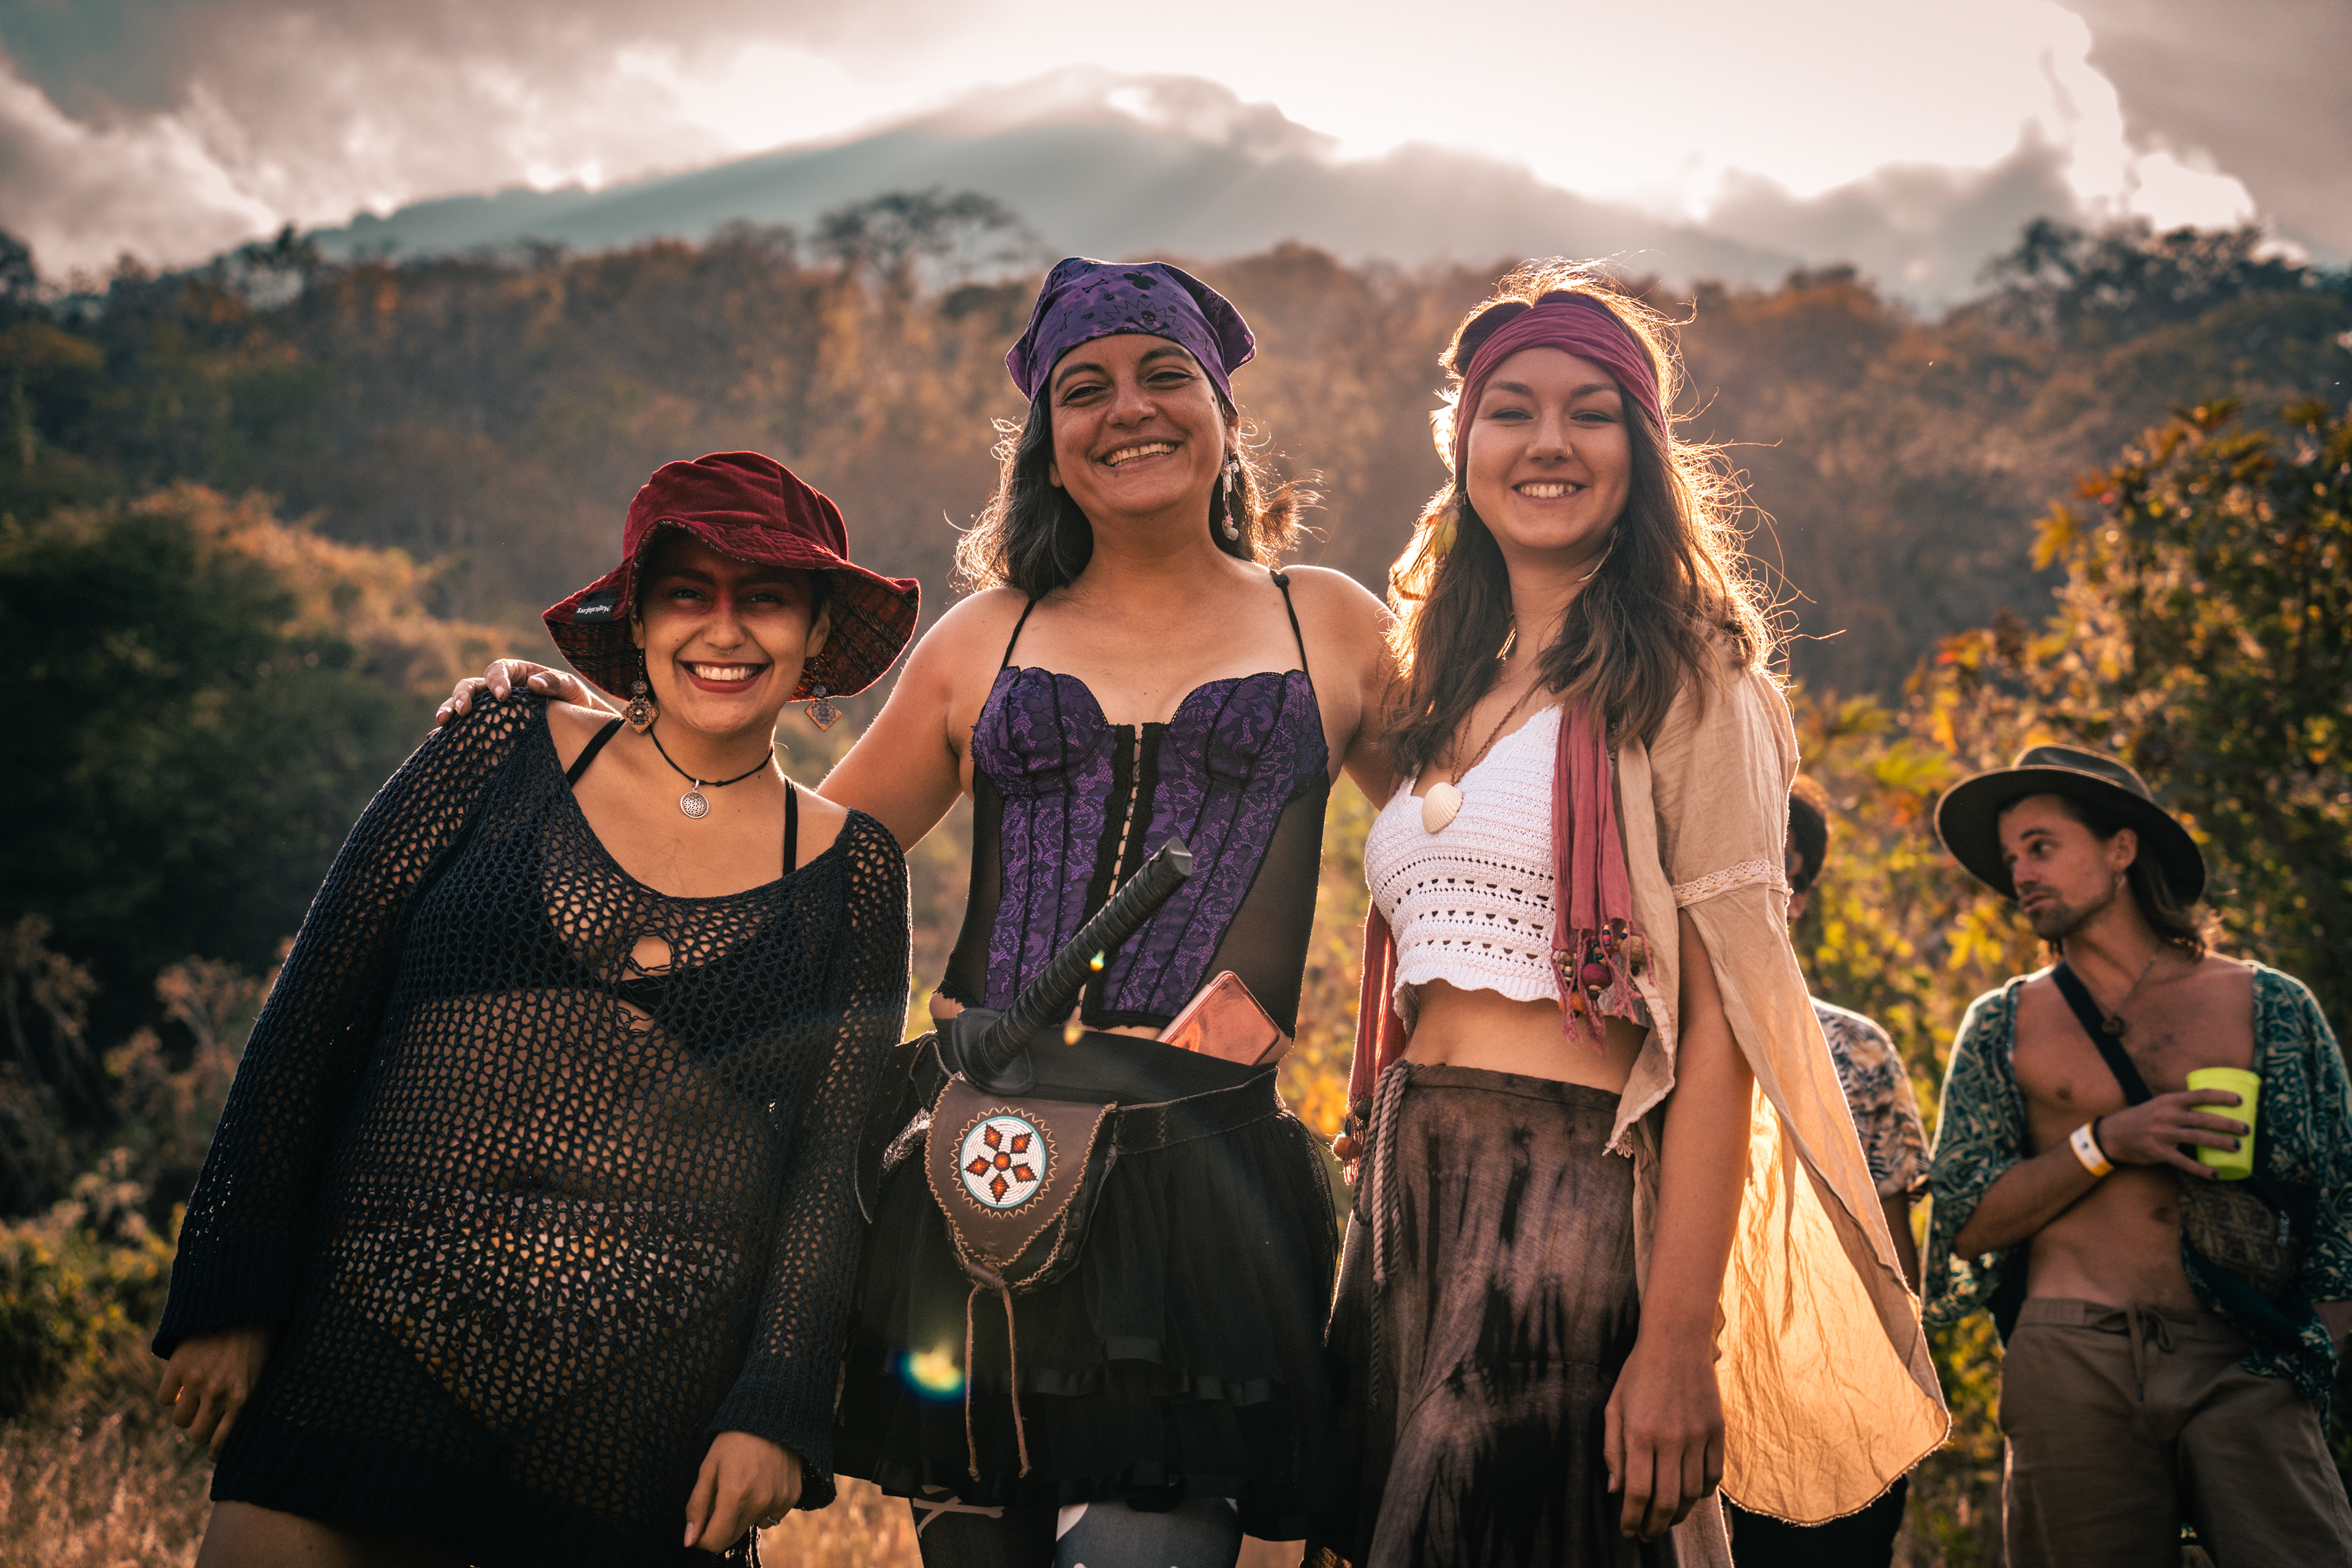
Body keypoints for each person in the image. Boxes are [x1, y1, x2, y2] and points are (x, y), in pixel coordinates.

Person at [440, 257, 1396, 1567]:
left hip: (1200, 1190)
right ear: (1047, 445)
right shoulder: (984, 637)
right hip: (971, 1175)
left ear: (1227, 412)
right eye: (1086, 388)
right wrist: (602, 731)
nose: (1130, 408)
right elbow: (791, 849)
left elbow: (1463, 837)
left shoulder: (1331, 624)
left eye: (1166, 374)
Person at [154, 452, 919, 1567]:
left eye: (765, 598)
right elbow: (317, 1009)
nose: (725, 629)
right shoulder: (498, 750)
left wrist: (772, 1413)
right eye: (686, 594)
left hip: (639, 1406)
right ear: (639, 622)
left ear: (813, 637)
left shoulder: (853, 872)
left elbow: (828, 1172)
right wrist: (231, 1288)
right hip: (365, 1331)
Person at [1315, 262, 1946, 1568]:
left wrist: (1675, 1340)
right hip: (1406, 1191)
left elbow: (1726, 1030)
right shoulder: (1437, 685)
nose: (1549, 441)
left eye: (1592, 410)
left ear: (1644, 449)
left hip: (1566, 1198)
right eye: (1513, 409)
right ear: (1463, 440)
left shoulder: (1694, 674)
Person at [1924, 744, 2352, 1566]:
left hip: (2243, 1354)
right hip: (2071, 1357)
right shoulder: (2005, 1023)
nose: (2020, 874)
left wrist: (2304, 1360)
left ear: (2121, 850)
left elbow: (2341, 1207)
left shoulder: (2271, 1007)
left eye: (2041, 847)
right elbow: (1966, 1225)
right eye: (2012, 858)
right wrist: (2105, 1143)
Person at [1721, 778, 1928, 1566]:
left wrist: (1885, 1401)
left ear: (1798, 891)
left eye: (1777, 863)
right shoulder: (1624, 1032)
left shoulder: (1856, 1050)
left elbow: (1892, 1255)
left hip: (1824, 1396)